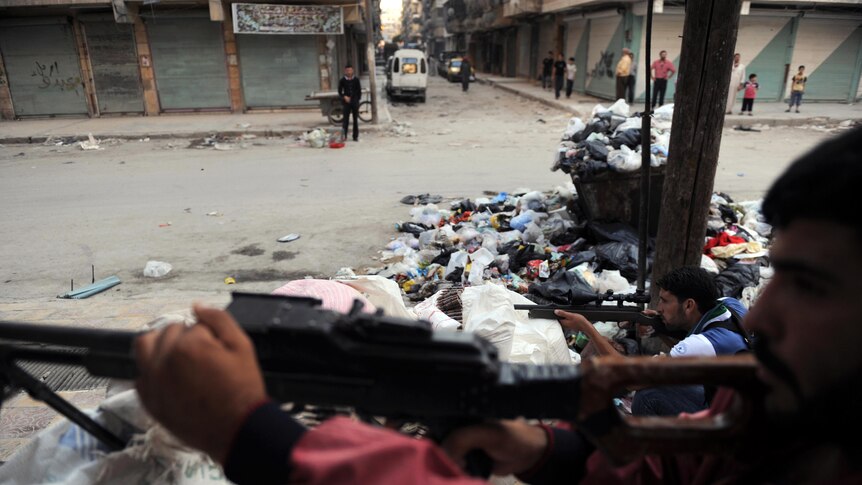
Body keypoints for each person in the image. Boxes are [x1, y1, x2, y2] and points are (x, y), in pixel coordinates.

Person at [135, 126, 862, 484]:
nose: (763, 315)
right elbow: (675, 469)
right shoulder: (791, 418)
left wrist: (257, 437)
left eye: (811, 284)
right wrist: (550, 451)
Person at [555, 266, 749, 416]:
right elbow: (690, 356)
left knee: (647, 396)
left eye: (665, 301)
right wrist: (658, 327)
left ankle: (670, 463)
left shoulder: (702, 344)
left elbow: (631, 380)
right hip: (747, 402)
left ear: (689, 305)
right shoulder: (728, 305)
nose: (659, 307)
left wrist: (587, 328)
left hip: (735, 422)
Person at [337, 65, 361, 142]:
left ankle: (355, 136)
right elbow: (340, 92)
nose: (349, 72)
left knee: (355, 120)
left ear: (352, 71)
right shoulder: (342, 80)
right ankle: (344, 136)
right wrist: (344, 97)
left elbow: (359, 91)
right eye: (347, 71)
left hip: (354, 102)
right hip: (346, 102)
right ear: (345, 71)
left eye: (350, 70)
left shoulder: (356, 79)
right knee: (345, 120)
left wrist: (356, 100)